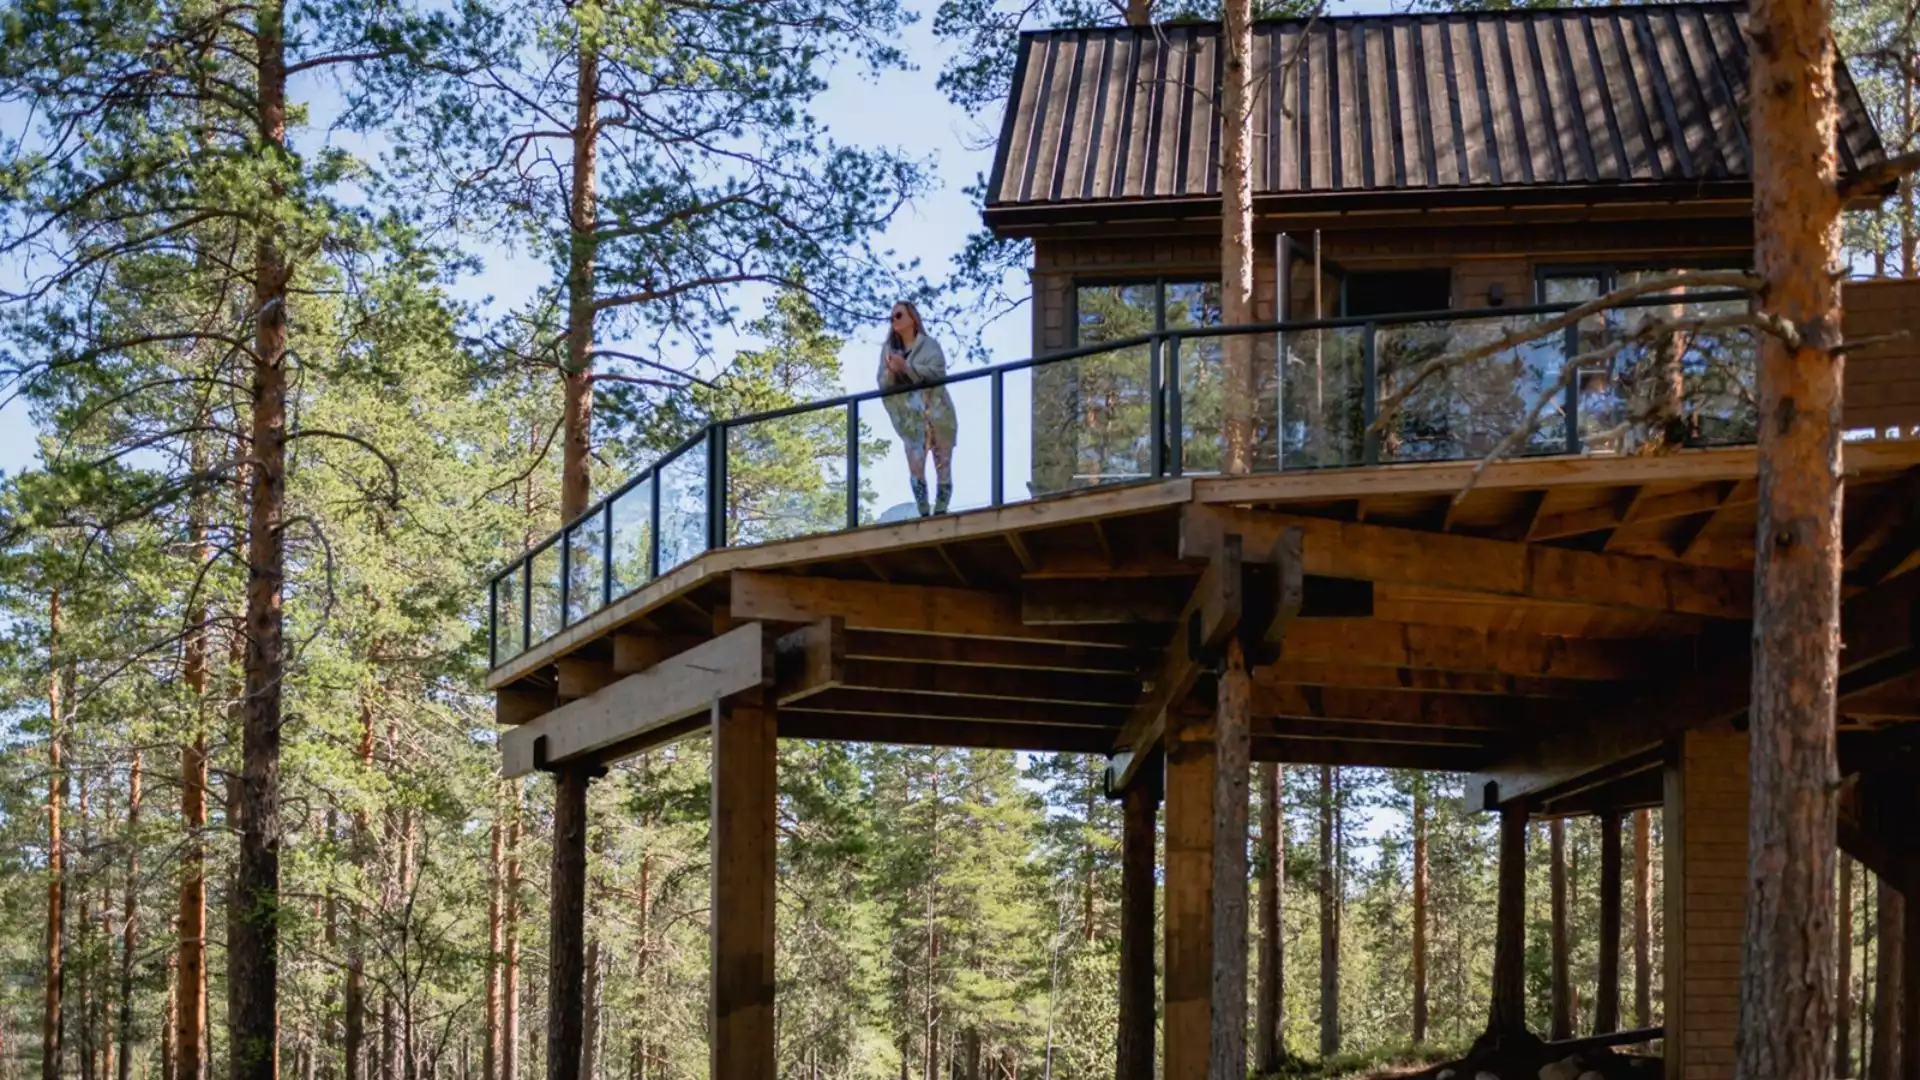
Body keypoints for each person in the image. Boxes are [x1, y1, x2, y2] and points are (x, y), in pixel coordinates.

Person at [877, 301, 957, 516]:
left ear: (912, 318)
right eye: (892, 317)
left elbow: (938, 373)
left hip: (937, 411)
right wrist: (892, 372)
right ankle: (923, 511)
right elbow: (882, 383)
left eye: (899, 315)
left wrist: (908, 368)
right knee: (915, 464)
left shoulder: (929, 345)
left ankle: (941, 509)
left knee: (942, 462)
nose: (895, 320)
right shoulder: (888, 349)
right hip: (910, 417)